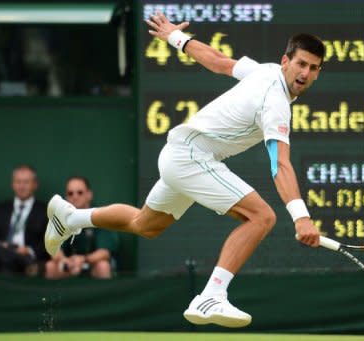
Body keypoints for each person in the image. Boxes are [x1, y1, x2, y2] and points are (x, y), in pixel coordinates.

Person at [45, 12, 322, 328]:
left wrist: (176, 38)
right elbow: (280, 164)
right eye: (301, 64)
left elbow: (217, 61)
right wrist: (301, 217)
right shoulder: (276, 103)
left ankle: (70, 217)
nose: (305, 72)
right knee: (262, 217)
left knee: (144, 224)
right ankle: (211, 296)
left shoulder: (266, 72)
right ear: (286, 61)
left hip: (179, 155)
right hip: (191, 156)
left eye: (313, 68)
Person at [0, 165, 49, 274]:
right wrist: (1, 246)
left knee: (6, 267)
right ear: (12, 184)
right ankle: (13, 258)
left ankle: (15, 259)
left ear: (35, 185)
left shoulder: (46, 211)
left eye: (26, 182)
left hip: (28, 256)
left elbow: (48, 243)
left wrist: (28, 250)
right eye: (18, 182)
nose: (22, 186)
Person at [45, 176, 118, 279]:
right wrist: (64, 260)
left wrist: (83, 259)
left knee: (103, 266)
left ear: (89, 195)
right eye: (70, 193)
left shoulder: (101, 216)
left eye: (80, 192)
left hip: (91, 263)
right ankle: (52, 296)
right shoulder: (60, 217)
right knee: (51, 266)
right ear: (66, 197)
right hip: (69, 265)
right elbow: (54, 248)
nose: (75, 196)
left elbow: (104, 252)